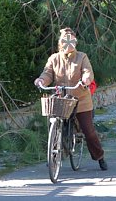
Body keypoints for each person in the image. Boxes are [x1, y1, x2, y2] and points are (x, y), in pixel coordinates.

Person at [34, 27, 108, 171]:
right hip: (62, 100)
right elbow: (48, 73)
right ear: (60, 43)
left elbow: (87, 71)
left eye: (70, 40)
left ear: (74, 42)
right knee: (54, 125)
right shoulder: (54, 58)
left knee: (88, 131)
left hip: (81, 100)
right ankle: (54, 155)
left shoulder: (82, 57)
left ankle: (100, 157)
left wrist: (86, 79)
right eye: (64, 41)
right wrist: (41, 80)